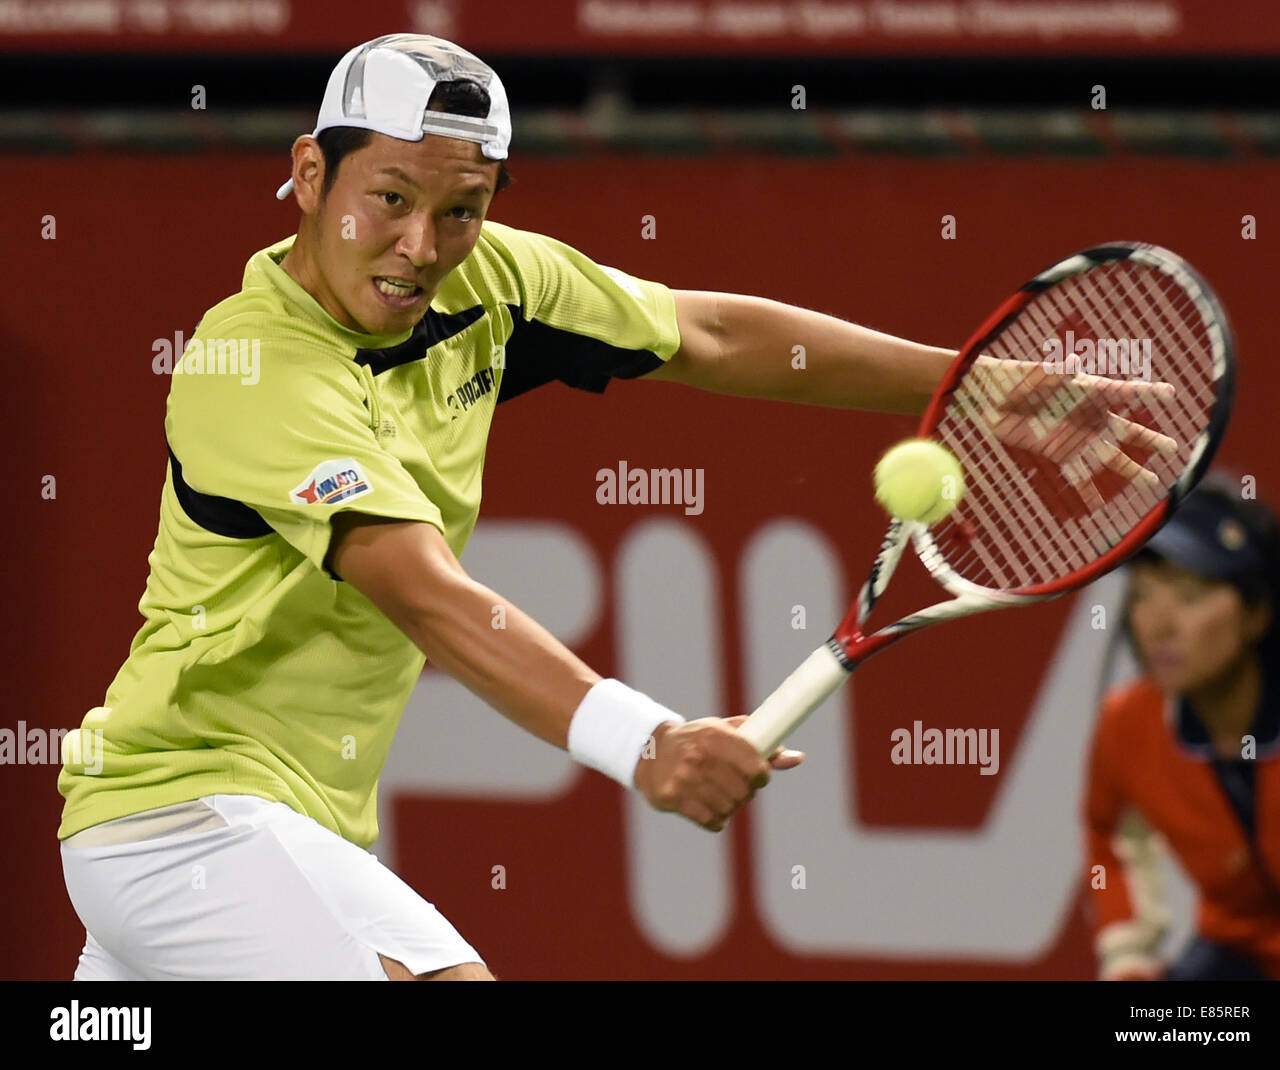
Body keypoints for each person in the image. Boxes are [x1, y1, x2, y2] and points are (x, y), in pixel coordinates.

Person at [57, 33, 1166, 981]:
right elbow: (426, 595)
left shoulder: (487, 281)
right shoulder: (253, 365)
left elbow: (715, 336)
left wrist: (977, 385)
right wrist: (646, 742)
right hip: (177, 817)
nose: (420, 250)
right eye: (387, 201)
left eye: (460, 211)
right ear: (310, 175)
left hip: (295, 831)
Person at [1083, 479, 1280, 981]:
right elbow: (1111, 835)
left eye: (1188, 594)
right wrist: (1128, 955)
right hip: (1237, 951)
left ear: (1256, 613)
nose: (1159, 624)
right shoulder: (1129, 725)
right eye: (1143, 595)